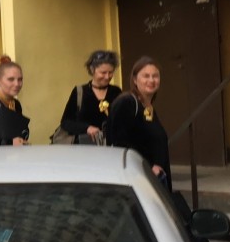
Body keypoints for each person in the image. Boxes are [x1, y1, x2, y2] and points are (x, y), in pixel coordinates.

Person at [108, 57, 170, 186]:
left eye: (155, 76)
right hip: (140, 178)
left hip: (155, 178)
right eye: (146, 76)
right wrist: (149, 165)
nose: (151, 80)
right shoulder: (127, 102)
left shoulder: (148, 106)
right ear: (135, 80)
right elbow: (120, 141)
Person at [56, 49, 122, 144]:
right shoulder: (80, 92)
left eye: (110, 72)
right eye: (103, 73)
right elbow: (66, 122)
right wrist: (87, 128)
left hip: (111, 147)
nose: (107, 77)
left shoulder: (116, 92)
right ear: (92, 70)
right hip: (85, 147)